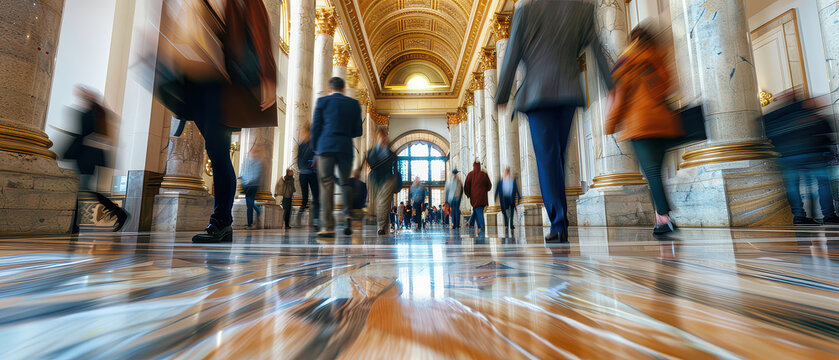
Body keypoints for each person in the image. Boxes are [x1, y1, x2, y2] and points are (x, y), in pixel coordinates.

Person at [157, 0, 277, 243]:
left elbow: (259, 29)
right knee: (216, 150)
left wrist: (268, 75)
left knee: (218, 151)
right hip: (195, 77)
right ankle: (222, 221)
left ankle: (221, 221)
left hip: (222, 83)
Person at [496, 0, 613, 242]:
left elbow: (512, 53)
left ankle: (559, 222)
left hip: (538, 95)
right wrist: (612, 85)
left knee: (548, 159)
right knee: (557, 157)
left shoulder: (526, 11)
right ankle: (560, 220)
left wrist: (502, 93)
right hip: (568, 92)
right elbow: (597, 48)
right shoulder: (582, 9)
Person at [605, 26, 681, 236]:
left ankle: (665, 218)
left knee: (653, 174)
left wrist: (611, 122)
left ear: (633, 40)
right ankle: (660, 218)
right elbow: (669, 87)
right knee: (656, 174)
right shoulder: (659, 56)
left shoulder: (628, 59)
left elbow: (620, 94)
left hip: (640, 125)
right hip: (664, 124)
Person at [763, 92, 839, 225]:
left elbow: (767, 128)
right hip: (813, 154)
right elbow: (827, 132)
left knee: (793, 187)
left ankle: (799, 217)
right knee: (822, 184)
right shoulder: (812, 115)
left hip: (788, 157)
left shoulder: (776, 117)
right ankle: (829, 215)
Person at [63, 86, 128, 233]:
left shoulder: (89, 114)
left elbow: (81, 135)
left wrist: (67, 152)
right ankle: (75, 225)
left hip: (85, 156)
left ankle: (118, 212)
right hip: (90, 156)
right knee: (82, 189)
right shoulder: (98, 113)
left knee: (83, 189)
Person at [311, 77, 363, 237]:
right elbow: (358, 132)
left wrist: (316, 149)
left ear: (329, 89)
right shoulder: (353, 104)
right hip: (345, 147)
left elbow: (316, 128)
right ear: (344, 89)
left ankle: (328, 226)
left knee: (326, 184)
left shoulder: (322, 102)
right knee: (345, 182)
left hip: (325, 147)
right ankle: (347, 214)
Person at [366, 128, 399, 235]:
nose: (383, 139)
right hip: (375, 180)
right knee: (380, 204)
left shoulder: (390, 153)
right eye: (381, 137)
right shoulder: (372, 151)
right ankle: (384, 226)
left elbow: (395, 167)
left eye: (384, 136)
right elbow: (370, 162)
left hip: (387, 179)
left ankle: (381, 226)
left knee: (382, 203)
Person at [297, 127, 319, 227]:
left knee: (315, 197)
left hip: (311, 173)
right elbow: (299, 159)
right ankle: (299, 219)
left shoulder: (313, 144)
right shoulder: (303, 145)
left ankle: (315, 220)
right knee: (305, 198)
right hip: (306, 173)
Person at [239, 145, 265, 229]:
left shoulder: (258, 161)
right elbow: (242, 172)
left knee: (249, 205)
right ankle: (258, 211)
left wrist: (248, 181)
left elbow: (256, 174)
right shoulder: (246, 161)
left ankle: (250, 224)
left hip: (253, 185)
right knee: (249, 204)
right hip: (246, 185)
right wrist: (243, 181)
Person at [464, 161, 492, 232]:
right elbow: (489, 186)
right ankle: (471, 223)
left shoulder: (470, 174)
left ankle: (481, 226)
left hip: (474, 197)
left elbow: (466, 186)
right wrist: (485, 190)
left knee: (477, 209)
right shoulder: (484, 175)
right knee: (478, 209)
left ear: (473, 166)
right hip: (483, 197)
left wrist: (468, 194)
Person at [495, 167, 521, 235]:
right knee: (504, 211)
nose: (505, 173)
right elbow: (497, 190)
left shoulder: (512, 181)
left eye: (506, 172)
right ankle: (506, 223)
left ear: (508, 173)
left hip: (511, 197)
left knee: (512, 210)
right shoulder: (500, 182)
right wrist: (495, 196)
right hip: (504, 198)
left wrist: (519, 196)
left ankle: (511, 224)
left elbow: (516, 189)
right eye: (504, 172)